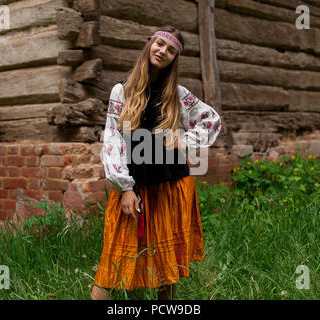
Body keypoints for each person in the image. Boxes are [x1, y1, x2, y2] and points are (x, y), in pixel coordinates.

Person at [91, 26, 222, 300]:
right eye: (160, 44)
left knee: (167, 262)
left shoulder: (178, 93)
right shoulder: (122, 91)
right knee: (113, 261)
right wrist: (125, 187)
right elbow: (113, 141)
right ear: (150, 45)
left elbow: (211, 120)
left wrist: (183, 141)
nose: (163, 51)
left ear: (175, 58)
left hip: (172, 185)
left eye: (171, 49)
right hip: (135, 185)